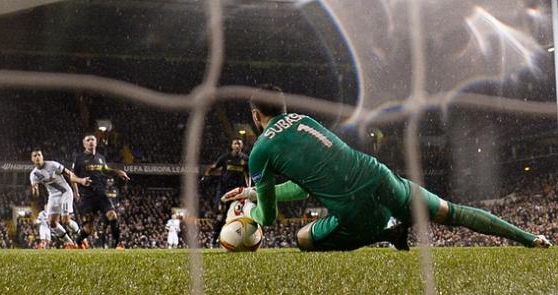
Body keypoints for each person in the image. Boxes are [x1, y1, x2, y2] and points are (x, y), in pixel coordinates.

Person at [222, 85, 552, 251]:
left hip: (355, 210)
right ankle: (530, 239)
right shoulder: (306, 121)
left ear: (255, 117)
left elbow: (266, 217)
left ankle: (386, 232)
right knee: (454, 212)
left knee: (302, 238)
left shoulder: (260, 151)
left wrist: (246, 212)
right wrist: (253, 190)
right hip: (381, 177)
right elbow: (306, 185)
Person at [72, 134, 130, 250]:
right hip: (87, 196)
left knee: (112, 216)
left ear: (96, 142)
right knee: (88, 229)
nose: (90, 142)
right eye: (87, 140)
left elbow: (105, 171)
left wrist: (118, 172)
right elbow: (72, 177)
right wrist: (80, 182)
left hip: (101, 194)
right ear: (84, 144)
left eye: (92, 139)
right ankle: (77, 241)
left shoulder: (101, 158)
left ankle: (116, 245)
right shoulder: (79, 158)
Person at [30, 148, 91, 249]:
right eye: (35, 156)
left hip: (65, 193)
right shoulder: (34, 174)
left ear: (42, 157)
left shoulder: (53, 165)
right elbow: (35, 193)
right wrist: (35, 191)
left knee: (66, 220)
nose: (37, 157)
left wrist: (79, 183)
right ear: (32, 159)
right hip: (53, 196)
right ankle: (70, 243)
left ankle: (82, 237)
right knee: (52, 223)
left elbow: (70, 175)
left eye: (39, 155)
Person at [203, 137, 249, 244]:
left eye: (239, 144)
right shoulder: (225, 157)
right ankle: (214, 238)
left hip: (237, 191)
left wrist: (248, 187)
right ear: (232, 146)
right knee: (220, 213)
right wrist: (206, 175)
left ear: (242, 146)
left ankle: (229, 238)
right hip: (224, 189)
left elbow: (249, 174)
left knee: (235, 214)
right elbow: (214, 166)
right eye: (235, 144)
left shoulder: (246, 159)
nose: (237, 146)